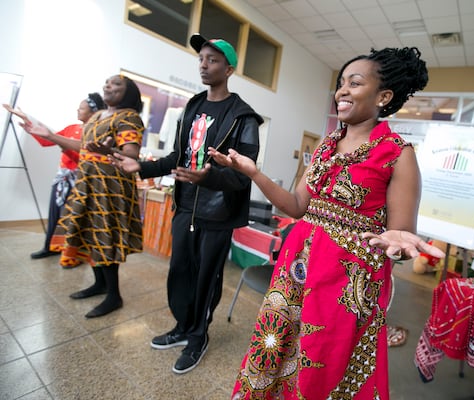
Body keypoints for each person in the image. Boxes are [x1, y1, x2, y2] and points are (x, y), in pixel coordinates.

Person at [208, 47, 445, 399]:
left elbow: (400, 239)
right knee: (276, 347)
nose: (342, 91)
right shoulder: (325, 145)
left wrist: (397, 241)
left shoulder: (398, 153)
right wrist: (254, 173)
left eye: (355, 83)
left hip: (347, 281)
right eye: (340, 83)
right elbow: (297, 205)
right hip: (296, 267)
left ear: (384, 96)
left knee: (322, 364)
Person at [111, 34, 263, 374]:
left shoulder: (244, 118)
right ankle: (182, 327)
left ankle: (198, 336)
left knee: (206, 278)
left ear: (229, 69)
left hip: (217, 212)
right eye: (201, 59)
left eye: (212, 60)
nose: (204, 65)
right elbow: (177, 157)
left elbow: (242, 176)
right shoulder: (193, 106)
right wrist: (143, 167)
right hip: (185, 207)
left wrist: (206, 178)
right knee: (180, 272)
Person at [7, 75, 145, 318]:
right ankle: (99, 283)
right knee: (88, 232)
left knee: (105, 235)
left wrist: (109, 150)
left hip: (110, 186)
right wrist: (48, 134)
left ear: (129, 92)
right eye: (107, 83)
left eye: (116, 84)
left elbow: (131, 155)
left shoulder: (128, 116)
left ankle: (114, 295)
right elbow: (81, 144)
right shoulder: (96, 116)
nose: (108, 86)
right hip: (86, 182)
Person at [25, 93, 106, 267]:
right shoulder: (71, 128)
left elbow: (85, 156)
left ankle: (72, 255)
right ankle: (49, 247)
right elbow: (47, 141)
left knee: (73, 219)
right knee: (55, 214)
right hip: (62, 178)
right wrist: (30, 129)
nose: (78, 110)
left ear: (92, 112)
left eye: (82, 108)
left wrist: (65, 146)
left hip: (80, 180)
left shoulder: (95, 132)